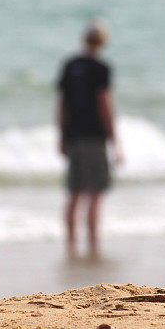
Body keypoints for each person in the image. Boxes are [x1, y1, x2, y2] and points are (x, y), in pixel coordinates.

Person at [56, 20, 122, 260]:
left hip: (73, 135)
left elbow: (62, 105)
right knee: (95, 193)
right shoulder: (101, 68)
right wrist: (116, 142)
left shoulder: (70, 65)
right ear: (103, 42)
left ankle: (71, 246)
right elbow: (105, 105)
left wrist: (61, 136)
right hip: (95, 136)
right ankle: (93, 245)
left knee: (74, 193)